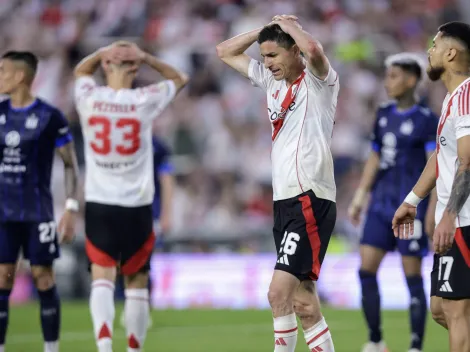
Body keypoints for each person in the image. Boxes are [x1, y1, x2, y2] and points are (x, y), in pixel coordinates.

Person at [216, 14, 339, 352]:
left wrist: (290, 27)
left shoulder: (319, 81)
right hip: (285, 201)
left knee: (277, 293)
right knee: (304, 303)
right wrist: (265, 30)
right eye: (263, 56)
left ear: (294, 52)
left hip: (310, 197)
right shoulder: (272, 83)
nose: (266, 63)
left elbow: (313, 48)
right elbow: (224, 51)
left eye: (273, 55)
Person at [73, 42, 188, 352]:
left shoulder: (89, 98)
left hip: (99, 203)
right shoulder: (143, 100)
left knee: (102, 277)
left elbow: (81, 70)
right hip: (137, 206)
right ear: (135, 69)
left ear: (107, 67)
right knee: (137, 282)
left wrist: (103, 53)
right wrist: (146, 57)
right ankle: (134, 349)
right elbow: (180, 78)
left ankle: (105, 346)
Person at [348, 53, 438, 352]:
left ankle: (415, 346)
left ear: (411, 80)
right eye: (387, 76)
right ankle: (375, 341)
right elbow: (375, 156)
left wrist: (432, 209)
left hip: (411, 208)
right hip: (379, 205)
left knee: (411, 275)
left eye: (394, 76)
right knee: (366, 270)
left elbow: (434, 165)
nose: (388, 82)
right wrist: (361, 196)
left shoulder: (427, 121)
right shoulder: (383, 114)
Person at [392, 21, 470, 351]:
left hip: (464, 220)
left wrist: (450, 215)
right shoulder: (453, 100)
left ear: (450, 53)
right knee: (440, 307)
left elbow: (468, 161)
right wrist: (413, 199)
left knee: (455, 310)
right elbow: (442, 157)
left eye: (435, 45)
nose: (430, 50)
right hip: (455, 218)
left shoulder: (466, 97)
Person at [0, 51, 79, 352]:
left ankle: (51, 348)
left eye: (2, 70)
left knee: (43, 278)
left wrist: (70, 208)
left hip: (38, 213)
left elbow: (70, 164)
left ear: (20, 76)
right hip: (3, 214)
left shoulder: (49, 117)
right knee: (2, 282)